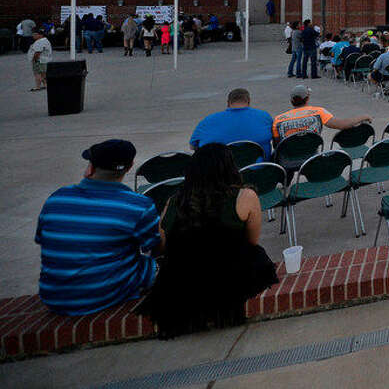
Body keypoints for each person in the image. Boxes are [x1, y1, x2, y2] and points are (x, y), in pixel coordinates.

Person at [136, 144, 278, 337]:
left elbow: (163, 246)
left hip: (182, 281)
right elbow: (252, 241)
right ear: (230, 167)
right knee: (255, 254)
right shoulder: (244, 196)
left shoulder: (174, 201)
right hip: (229, 276)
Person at [35, 139, 160, 315]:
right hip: (102, 296)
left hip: (53, 296)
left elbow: (42, 239)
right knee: (160, 265)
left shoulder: (57, 198)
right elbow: (154, 245)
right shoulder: (138, 205)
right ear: (129, 166)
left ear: (91, 166)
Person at [190, 88, 274, 160]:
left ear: (228, 103)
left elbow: (193, 146)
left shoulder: (207, 121)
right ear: (248, 101)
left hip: (222, 174)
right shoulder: (263, 116)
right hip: (258, 172)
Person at [272, 85, 371, 144]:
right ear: (307, 98)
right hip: (311, 155)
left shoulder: (278, 120)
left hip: (287, 159)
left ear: (291, 101)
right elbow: (342, 125)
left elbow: (277, 144)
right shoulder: (318, 112)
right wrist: (363, 117)